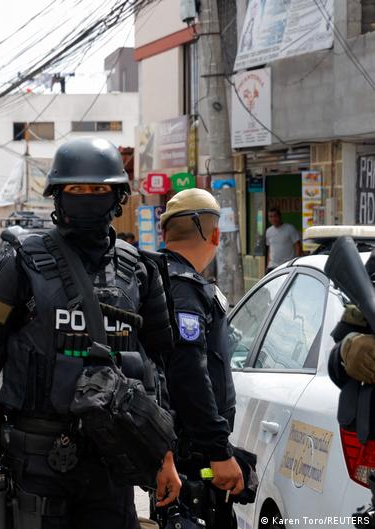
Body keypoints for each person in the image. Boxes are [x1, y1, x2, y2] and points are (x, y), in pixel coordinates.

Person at [0, 138, 181, 529]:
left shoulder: (139, 270)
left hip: (113, 462)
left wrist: (164, 452)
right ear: (58, 195)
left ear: (117, 196)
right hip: (36, 460)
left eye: (98, 189)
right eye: (76, 189)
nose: (87, 197)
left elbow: (158, 367)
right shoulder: (18, 264)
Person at [158, 189, 244, 527]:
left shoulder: (163, 280)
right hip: (191, 455)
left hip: (179, 450)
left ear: (164, 233)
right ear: (215, 235)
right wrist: (218, 452)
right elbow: (188, 374)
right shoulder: (183, 289)